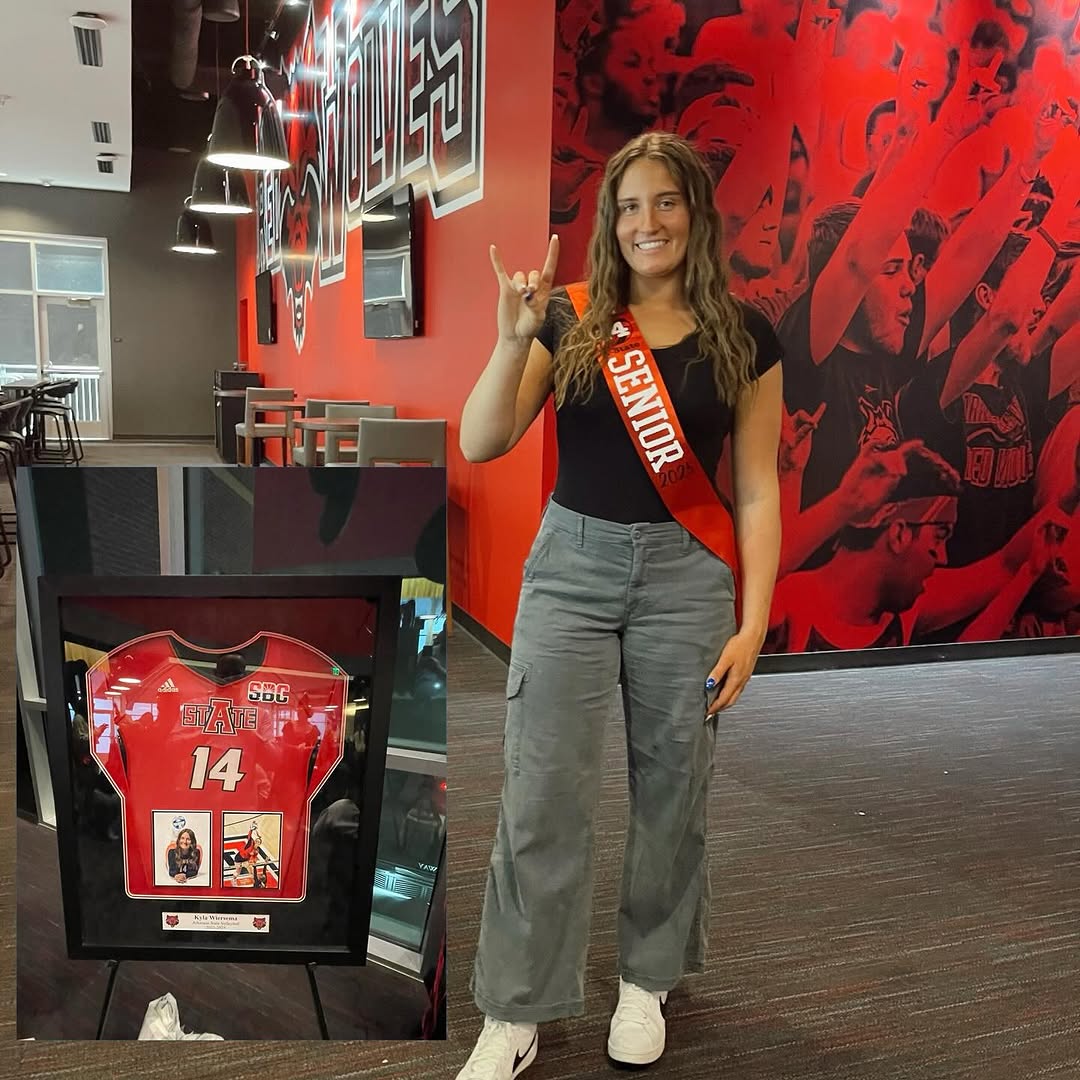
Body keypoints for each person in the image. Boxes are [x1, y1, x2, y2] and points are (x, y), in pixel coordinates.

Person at [456, 131, 783, 1077]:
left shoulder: (747, 335)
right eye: (631, 206)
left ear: (696, 214)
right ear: (610, 221)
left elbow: (756, 487)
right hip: (572, 568)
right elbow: (481, 440)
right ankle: (517, 1008)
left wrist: (755, 622)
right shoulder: (569, 318)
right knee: (541, 787)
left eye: (666, 201)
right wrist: (511, 338)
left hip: (689, 580)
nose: (649, 222)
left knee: (675, 787)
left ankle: (648, 980)